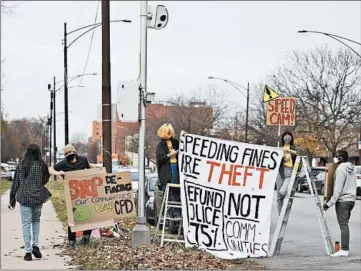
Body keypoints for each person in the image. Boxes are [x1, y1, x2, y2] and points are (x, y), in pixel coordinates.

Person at [48, 144, 101, 248]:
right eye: (66, 154)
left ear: (75, 152)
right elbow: (50, 169)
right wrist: (58, 172)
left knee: (88, 214)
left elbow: (89, 167)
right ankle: (72, 241)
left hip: (85, 191)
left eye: (70, 152)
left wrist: (98, 168)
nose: (69, 155)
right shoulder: (64, 163)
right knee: (73, 216)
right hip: (72, 193)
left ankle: (86, 238)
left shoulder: (83, 159)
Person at [9, 144, 52, 261]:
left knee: (26, 224)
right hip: (38, 198)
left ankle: (28, 252)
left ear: (27, 152)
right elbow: (44, 181)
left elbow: (16, 183)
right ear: (38, 152)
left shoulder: (21, 165)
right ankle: (36, 246)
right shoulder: (42, 165)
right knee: (36, 221)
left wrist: (12, 198)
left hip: (24, 198)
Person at [323, 150, 356, 258]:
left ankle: (344, 250)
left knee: (343, 226)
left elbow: (338, 190)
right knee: (345, 224)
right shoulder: (351, 168)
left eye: (336, 156)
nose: (335, 158)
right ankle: (344, 248)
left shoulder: (341, 169)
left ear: (341, 158)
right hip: (351, 200)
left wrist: (329, 203)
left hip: (343, 201)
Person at [156, 123, 180, 219]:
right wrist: (170, 155)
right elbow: (160, 159)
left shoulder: (176, 142)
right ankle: (170, 214)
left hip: (176, 169)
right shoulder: (160, 145)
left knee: (177, 193)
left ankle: (177, 213)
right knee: (168, 194)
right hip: (166, 172)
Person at [276, 131, 300, 215]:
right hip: (280, 171)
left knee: (282, 192)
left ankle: (288, 202)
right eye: (285, 136)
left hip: (289, 171)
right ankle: (280, 215)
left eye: (288, 136)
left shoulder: (294, 147)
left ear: (291, 138)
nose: (287, 137)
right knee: (279, 196)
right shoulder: (280, 148)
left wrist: (289, 151)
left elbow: (299, 154)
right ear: (282, 138)